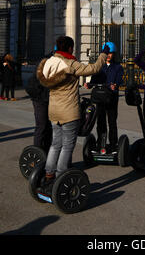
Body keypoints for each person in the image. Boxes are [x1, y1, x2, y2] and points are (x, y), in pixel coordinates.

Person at [36, 35, 110, 187]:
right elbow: (93, 69)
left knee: (55, 144)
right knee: (67, 145)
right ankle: (61, 173)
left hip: (53, 110)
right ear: (70, 48)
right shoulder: (71, 64)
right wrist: (103, 54)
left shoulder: (49, 62)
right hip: (69, 111)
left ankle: (49, 173)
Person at [84, 42, 124, 152]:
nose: (109, 55)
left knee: (112, 121)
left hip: (111, 98)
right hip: (100, 98)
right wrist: (89, 85)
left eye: (111, 53)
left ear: (114, 54)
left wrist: (115, 85)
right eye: (107, 53)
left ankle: (113, 144)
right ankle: (100, 143)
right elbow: (93, 81)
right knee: (100, 121)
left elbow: (120, 80)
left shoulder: (118, 67)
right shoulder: (99, 66)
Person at [25, 52, 54, 154]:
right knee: (42, 126)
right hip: (40, 98)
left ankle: (46, 152)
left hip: (43, 97)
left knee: (47, 126)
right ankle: (37, 154)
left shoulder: (49, 59)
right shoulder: (48, 61)